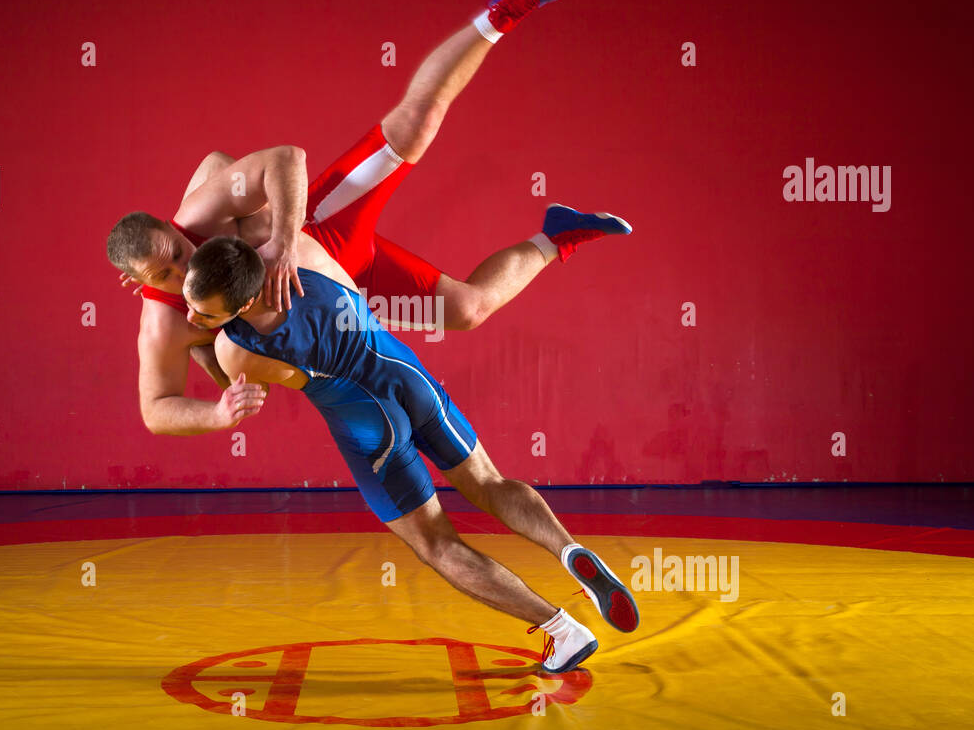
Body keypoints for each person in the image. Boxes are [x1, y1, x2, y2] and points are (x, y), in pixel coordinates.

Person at [105, 0, 632, 437]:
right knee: (471, 310)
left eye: (176, 248)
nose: (183, 263)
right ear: (137, 283)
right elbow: (156, 410)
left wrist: (284, 242)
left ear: (170, 225)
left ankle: (501, 14)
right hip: (347, 293)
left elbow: (257, 159)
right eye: (165, 273)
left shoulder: (197, 212)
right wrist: (218, 410)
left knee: (416, 124)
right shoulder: (165, 322)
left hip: (324, 229)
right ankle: (556, 236)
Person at [182, 235, 641, 673]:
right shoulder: (304, 250)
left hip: (367, 423)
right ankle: (569, 551)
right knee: (489, 482)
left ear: (243, 306)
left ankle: (565, 632)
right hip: (408, 378)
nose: (191, 318)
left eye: (203, 313)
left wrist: (208, 358)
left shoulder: (234, 348)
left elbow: (249, 393)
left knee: (437, 544)